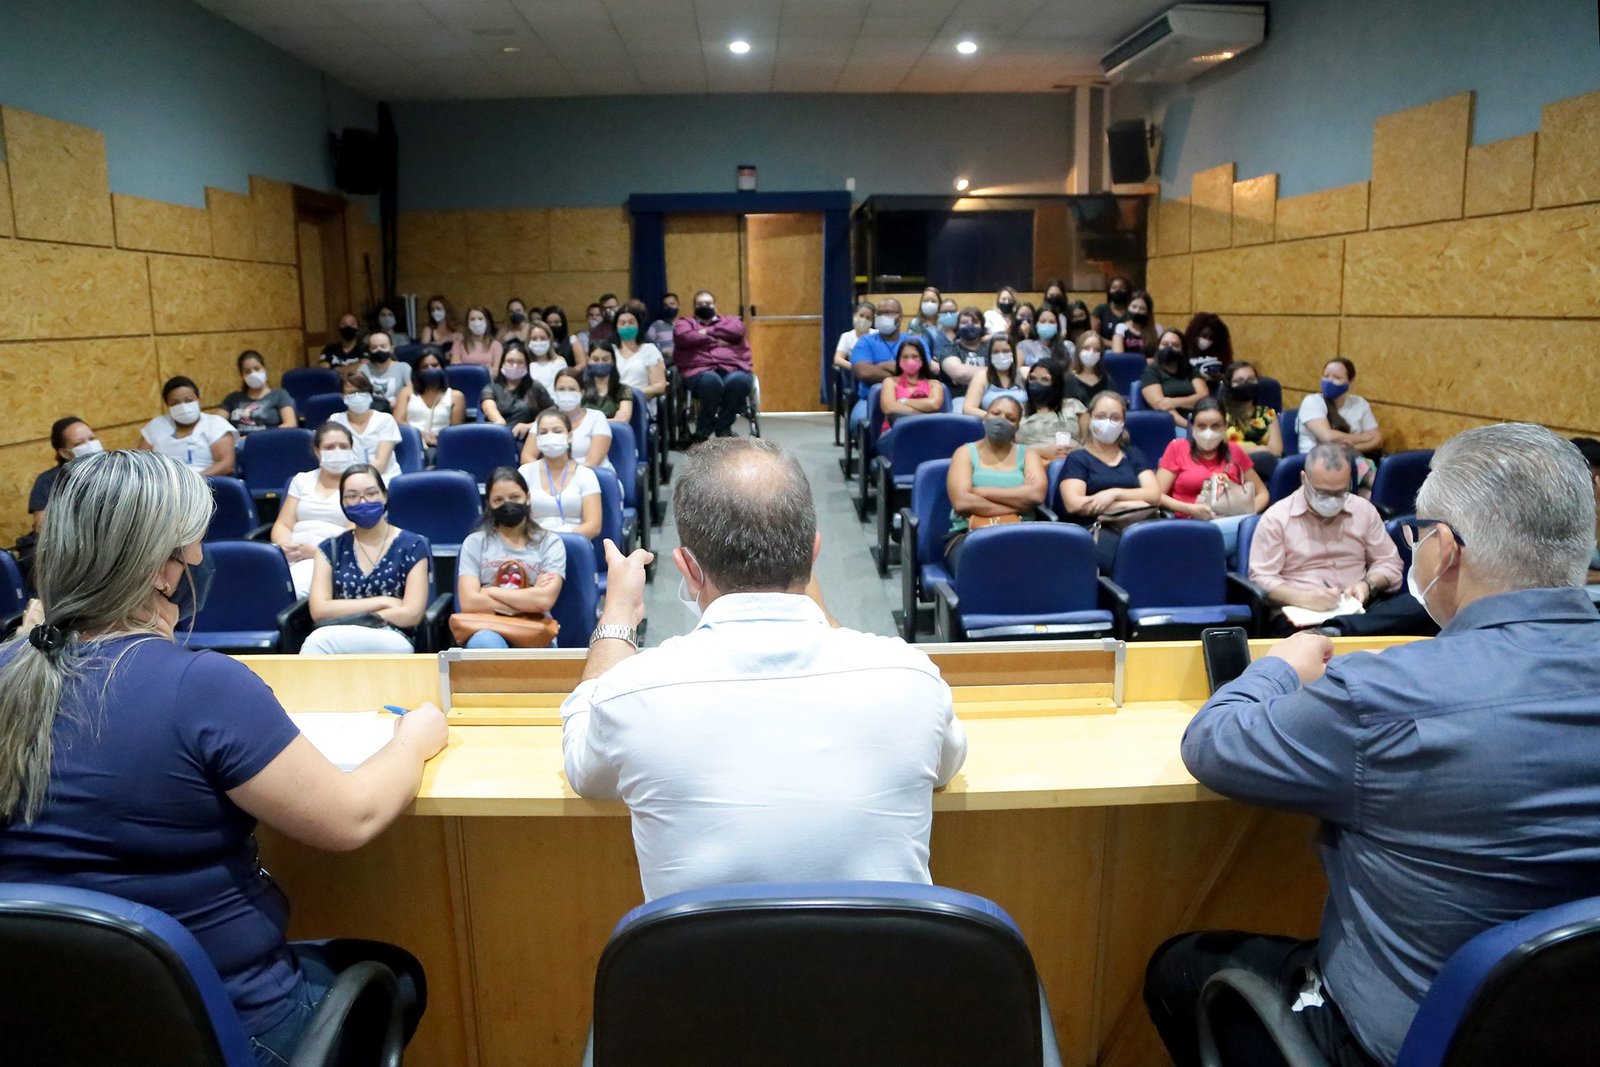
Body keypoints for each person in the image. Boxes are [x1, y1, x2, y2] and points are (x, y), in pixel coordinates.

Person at [1147, 423, 1600, 1067]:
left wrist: (1279, 668)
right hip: (1577, 1034)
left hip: (1406, 1039)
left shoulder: (1384, 695)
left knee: (1180, 968)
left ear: (1443, 549)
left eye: (1415, 531)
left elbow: (1215, 744)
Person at [0, 449, 442, 1061]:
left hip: (49, 1026)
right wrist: (414, 739)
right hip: (223, 1027)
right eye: (194, 546)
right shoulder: (203, 686)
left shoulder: (10, 670)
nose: (201, 560)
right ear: (162, 568)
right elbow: (352, 817)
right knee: (396, 974)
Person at [561, 436, 967, 902]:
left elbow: (582, 764)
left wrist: (616, 612)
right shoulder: (911, 679)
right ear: (814, 554)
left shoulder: (629, 692)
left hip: (703, 974)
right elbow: (945, 764)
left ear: (688, 570)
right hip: (883, 973)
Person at [1248, 443, 1404, 634]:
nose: (1331, 500)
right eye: (1322, 493)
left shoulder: (1363, 510)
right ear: (1304, 479)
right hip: (1303, 615)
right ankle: (1339, 632)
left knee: (1417, 605)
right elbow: (1261, 579)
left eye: (1339, 493)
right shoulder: (1277, 518)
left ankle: (1338, 631)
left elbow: (1389, 563)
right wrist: (1302, 597)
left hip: (1359, 609)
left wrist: (1368, 585)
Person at [301, 464, 431, 655]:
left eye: (371, 493)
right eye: (352, 496)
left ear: (384, 496)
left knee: (319, 642)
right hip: (339, 632)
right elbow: (319, 610)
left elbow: (411, 614)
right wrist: (384, 601)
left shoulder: (413, 545)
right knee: (318, 641)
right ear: (342, 503)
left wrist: (352, 615)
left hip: (394, 636)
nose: (362, 502)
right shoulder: (329, 549)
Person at [454, 467, 567, 650]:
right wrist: (528, 598)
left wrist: (489, 591)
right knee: (486, 643)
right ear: (489, 504)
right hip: (487, 628)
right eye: (499, 500)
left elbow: (543, 601)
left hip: (534, 629)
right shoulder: (475, 542)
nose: (508, 504)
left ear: (527, 498)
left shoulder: (550, 542)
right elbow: (469, 602)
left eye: (515, 497)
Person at [944, 396, 1047, 574]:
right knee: (981, 571)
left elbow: (1036, 495)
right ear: (986, 416)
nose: (1001, 420)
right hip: (968, 535)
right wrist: (1018, 503)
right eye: (996, 413)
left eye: (1010, 418)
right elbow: (962, 502)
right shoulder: (965, 453)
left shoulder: (1029, 455)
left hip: (1020, 535)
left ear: (1017, 425)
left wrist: (979, 491)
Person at [1061, 391, 1162, 572]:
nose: (1107, 422)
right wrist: (1135, 503)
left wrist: (1112, 494)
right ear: (1090, 419)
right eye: (1100, 416)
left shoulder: (1133, 454)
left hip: (1138, 525)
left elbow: (1154, 494)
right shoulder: (1078, 458)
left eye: (1115, 418)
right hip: (1096, 529)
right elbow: (1074, 504)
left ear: (1123, 423)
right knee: (1133, 562)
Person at [1156, 397, 1268, 558]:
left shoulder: (1234, 451)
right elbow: (1156, 495)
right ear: (1192, 426)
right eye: (1201, 426)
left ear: (1225, 427)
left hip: (1231, 525)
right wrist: (1190, 509)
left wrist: (1246, 515)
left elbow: (1263, 493)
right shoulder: (1178, 448)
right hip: (1189, 524)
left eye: (1216, 426)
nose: (1208, 432)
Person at [271, 422, 356, 597]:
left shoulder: (359, 482)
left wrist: (318, 552)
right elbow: (284, 524)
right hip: (294, 554)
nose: (337, 451)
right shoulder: (302, 480)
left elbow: (355, 531)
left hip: (332, 556)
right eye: (330, 447)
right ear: (317, 451)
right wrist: (285, 547)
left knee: (292, 591)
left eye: (343, 446)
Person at [675, 289, 756, 442]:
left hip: (733, 367)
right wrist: (717, 338)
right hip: (698, 370)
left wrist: (704, 333)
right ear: (694, 307)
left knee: (739, 381)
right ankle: (704, 429)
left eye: (708, 303)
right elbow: (684, 337)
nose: (704, 306)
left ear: (715, 305)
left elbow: (737, 332)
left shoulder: (731, 321)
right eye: (700, 304)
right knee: (711, 382)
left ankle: (723, 426)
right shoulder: (684, 323)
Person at [517, 409, 602, 536]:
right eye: (543, 432)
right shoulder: (524, 472)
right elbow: (518, 520)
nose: (549, 436)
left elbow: (593, 526)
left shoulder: (586, 475)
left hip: (573, 544)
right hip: (534, 544)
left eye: (557, 431)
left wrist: (558, 539)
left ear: (569, 436)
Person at [140, 376, 237, 475]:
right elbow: (139, 463)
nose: (183, 406)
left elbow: (226, 465)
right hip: (164, 484)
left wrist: (194, 481)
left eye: (189, 400)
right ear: (167, 405)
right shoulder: (156, 426)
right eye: (175, 402)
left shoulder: (216, 424)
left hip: (206, 483)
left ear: (198, 399)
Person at [522, 370, 612, 472]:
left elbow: (593, 462)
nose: (566, 393)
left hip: (593, 476)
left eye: (572, 389)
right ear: (554, 392)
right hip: (551, 477)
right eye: (561, 389)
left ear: (581, 393)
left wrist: (565, 477)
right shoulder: (545, 418)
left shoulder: (596, 417)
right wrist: (547, 474)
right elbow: (527, 456)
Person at [27, 417, 102, 533]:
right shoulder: (48, 481)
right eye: (79, 443)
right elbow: (42, 527)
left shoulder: (116, 469)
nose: (90, 445)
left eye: (92, 439)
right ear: (64, 453)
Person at [875, 339, 946, 459]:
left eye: (915, 356)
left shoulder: (934, 384)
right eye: (905, 357)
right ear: (899, 360)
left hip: (927, 433)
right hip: (894, 433)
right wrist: (924, 410)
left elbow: (934, 404)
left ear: (923, 360)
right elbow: (889, 407)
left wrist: (903, 401)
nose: (910, 361)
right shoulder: (890, 382)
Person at [1298, 357, 1382, 457]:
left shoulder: (1359, 403)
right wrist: (1362, 438)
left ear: (1350, 383)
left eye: (1337, 377)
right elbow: (1328, 436)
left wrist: (1352, 449)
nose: (1329, 381)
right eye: (1326, 376)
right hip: (1316, 461)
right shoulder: (1312, 402)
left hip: (1351, 459)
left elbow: (1377, 440)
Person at [329, 371, 403, 483]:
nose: (357, 396)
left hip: (383, 479)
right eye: (351, 393)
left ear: (370, 394)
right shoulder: (335, 421)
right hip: (347, 481)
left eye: (361, 391)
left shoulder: (385, 420)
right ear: (343, 396)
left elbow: (381, 465)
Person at [1220, 360, 1283, 482]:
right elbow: (1221, 449)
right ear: (1229, 385)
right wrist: (1262, 449)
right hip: (1229, 473)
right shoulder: (1220, 414)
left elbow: (1276, 451)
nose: (1246, 384)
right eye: (1239, 381)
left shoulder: (1268, 414)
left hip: (1264, 473)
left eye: (1251, 380)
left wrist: (1240, 449)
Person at [395, 350, 465, 458]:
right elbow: (398, 421)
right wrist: (423, 435)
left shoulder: (456, 396)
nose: (430, 369)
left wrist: (438, 438)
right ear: (417, 371)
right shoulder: (407, 392)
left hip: (442, 444)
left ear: (442, 368)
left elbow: (455, 429)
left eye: (434, 365)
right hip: (412, 444)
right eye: (425, 367)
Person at [481, 343, 552, 443]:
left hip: (526, 439)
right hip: (497, 436)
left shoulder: (535, 387)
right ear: (502, 363)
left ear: (526, 365)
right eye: (510, 361)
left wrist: (530, 426)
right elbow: (489, 408)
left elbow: (552, 412)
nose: (515, 366)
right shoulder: (491, 388)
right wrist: (503, 427)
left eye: (520, 362)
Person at [1017, 359, 1086, 458]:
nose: (1037, 383)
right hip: (1030, 461)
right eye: (1033, 378)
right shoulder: (1018, 410)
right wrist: (1042, 452)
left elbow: (1089, 441)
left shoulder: (1074, 405)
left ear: (1056, 384)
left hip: (1070, 461)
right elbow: (1010, 447)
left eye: (1045, 380)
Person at [1140, 331, 1209, 428]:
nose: (1169, 347)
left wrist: (1174, 402)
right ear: (1158, 347)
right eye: (1165, 344)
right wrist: (1189, 426)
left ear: (1182, 350)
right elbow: (1161, 405)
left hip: (1199, 420)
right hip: (1171, 424)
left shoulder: (1190, 369)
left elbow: (1203, 397)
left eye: (1175, 345)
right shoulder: (1151, 372)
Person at [222, 351, 298, 436]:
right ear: (242, 376)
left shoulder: (280, 395)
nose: (253, 374)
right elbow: (215, 424)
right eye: (247, 372)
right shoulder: (233, 398)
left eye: (257, 368)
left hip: (267, 443)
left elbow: (290, 424)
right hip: (236, 445)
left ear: (264, 369)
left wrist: (252, 439)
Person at [962, 335, 1026, 416]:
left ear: (1013, 353)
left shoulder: (1024, 373)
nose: (1001, 355)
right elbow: (968, 409)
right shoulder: (982, 376)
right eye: (996, 352)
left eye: (1006, 351)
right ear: (990, 355)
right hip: (991, 424)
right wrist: (995, 417)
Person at [612, 308, 667, 400]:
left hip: (640, 402)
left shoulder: (649, 350)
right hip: (613, 403)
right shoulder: (610, 350)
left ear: (638, 325)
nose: (627, 326)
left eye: (631, 322)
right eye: (622, 323)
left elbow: (659, 386)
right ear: (616, 327)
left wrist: (630, 394)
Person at [580, 342, 634, 424]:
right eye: (595, 359)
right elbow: (574, 419)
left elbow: (623, 420)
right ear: (589, 361)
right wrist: (612, 420)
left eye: (605, 359)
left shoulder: (623, 389)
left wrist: (589, 422)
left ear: (613, 361)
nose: (600, 363)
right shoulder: (581, 388)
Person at [939, 306, 991, 386]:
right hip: (962, 396)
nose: (970, 325)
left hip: (990, 395)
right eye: (964, 323)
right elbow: (960, 374)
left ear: (982, 326)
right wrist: (995, 373)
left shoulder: (990, 348)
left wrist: (969, 374)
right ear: (958, 327)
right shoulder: (949, 349)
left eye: (975, 322)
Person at [362, 330, 411, 410]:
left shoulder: (403, 367)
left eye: (383, 346)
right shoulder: (364, 368)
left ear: (391, 348)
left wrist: (398, 401)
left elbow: (411, 390)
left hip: (396, 410)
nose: (379, 350)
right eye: (374, 347)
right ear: (369, 351)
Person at [1064, 332, 1113, 408]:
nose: (1091, 352)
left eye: (1096, 349)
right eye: (1087, 348)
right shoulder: (1067, 380)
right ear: (1079, 349)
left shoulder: (1107, 380)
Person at [450, 306, 502, 374]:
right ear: (467, 323)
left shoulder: (496, 345)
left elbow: (495, 372)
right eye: (472, 319)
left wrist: (467, 368)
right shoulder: (458, 345)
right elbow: (455, 370)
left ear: (487, 322)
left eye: (480, 319)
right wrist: (484, 369)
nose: (477, 322)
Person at [1111, 290, 1159, 355]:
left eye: (1142, 308)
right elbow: (1118, 357)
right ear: (1128, 307)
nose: (1137, 311)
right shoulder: (1121, 328)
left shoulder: (1157, 329)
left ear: (1148, 312)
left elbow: (1159, 359)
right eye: (1134, 307)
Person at [832, 301, 877, 372]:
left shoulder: (877, 334)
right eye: (861, 315)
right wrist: (855, 368)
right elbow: (837, 359)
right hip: (854, 374)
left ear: (872, 321)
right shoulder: (846, 336)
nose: (864, 320)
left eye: (868, 318)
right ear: (855, 315)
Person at [525, 321, 566, 393]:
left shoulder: (559, 362)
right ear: (528, 341)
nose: (538, 342)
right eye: (534, 338)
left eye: (543, 338)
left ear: (550, 340)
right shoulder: (524, 365)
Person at [1092, 276, 1133, 342]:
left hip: (1129, 349)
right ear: (1109, 291)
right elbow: (1094, 335)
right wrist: (1114, 345)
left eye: (1122, 287)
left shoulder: (1133, 311)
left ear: (1127, 290)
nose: (1118, 290)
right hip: (1105, 350)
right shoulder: (1101, 309)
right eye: (1114, 287)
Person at [1011, 302, 1053, 367]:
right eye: (1022, 316)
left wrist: (1027, 336)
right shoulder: (1010, 337)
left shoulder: (1038, 339)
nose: (1025, 320)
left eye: (1029, 316)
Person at [646, 293, 678, 357]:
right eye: (666, 305)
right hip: (664, 362)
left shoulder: (685, 324)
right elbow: (647, 346)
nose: (669, 307)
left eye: (672, 304)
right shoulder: (656, 325)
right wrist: (661, 352)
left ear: (678, 305)